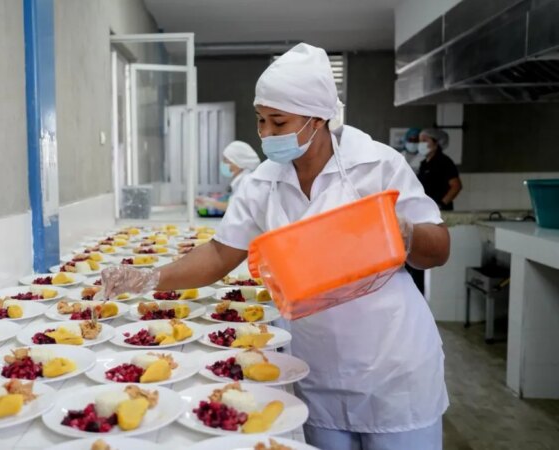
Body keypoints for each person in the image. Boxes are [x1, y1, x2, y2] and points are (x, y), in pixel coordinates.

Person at [102, 43, 450, 450]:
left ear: (318, 119)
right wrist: (150, 277)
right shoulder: (262, 182)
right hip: (314, 364)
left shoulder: (377, 164)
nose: (265, 133)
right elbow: (218, 255)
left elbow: (439, 250)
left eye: (278, 122)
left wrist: (406, 233)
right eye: (260, 120)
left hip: (392, 365)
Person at [196, 140, 261, 212]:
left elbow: (232, 206)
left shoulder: (245, 181)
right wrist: (209, 201)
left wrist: (210, 203)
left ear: (239, 163)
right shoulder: (243, 179)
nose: (223, 164)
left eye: (226, 161)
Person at [417, 128, 463, 211]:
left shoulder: (444, 162)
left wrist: (441, 204)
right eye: (420, 141)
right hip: (425, 209)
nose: (421, 144)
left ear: (436, 143)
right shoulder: (424, 164)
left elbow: (456, 186)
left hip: (440, 211)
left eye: (424, 141)